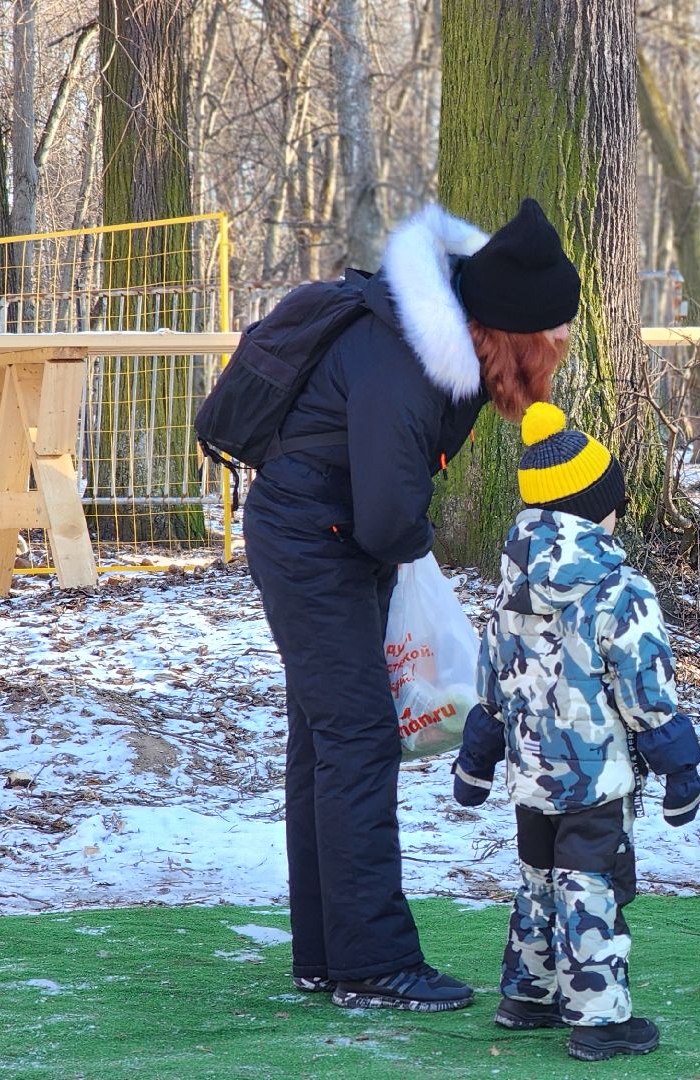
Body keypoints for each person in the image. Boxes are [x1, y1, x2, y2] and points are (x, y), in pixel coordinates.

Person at [243, 197, 579, 1011]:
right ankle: (371, 960)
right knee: (356, 739)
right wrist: (418, 550)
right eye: (555, 337)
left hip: (322, 532)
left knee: (326, 742)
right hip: (311, 541)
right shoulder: (405, 359)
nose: (563, 349)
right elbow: (391, 515)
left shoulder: (432, 337)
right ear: (514, 334)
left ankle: (327, 954)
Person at [450, 402, 700, 1062]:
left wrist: (476, 761)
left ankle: (526, 994)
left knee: (537, 878)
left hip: (530, 776)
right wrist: (680, 769)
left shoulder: (510, 589)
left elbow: (492, 685)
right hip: (595, 778)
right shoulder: (619, 590)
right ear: (597, 510)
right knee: (590, 884)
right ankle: (598, 1019)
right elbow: (646, 690)